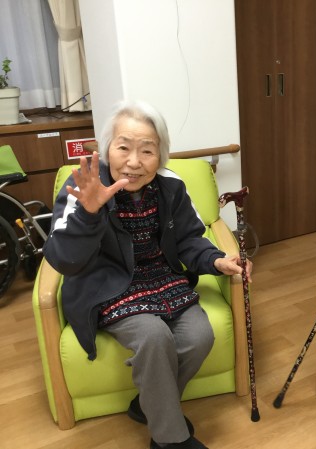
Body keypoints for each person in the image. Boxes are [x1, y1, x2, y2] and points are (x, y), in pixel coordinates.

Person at [43, 100, 251, 449]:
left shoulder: (171, 186)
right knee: (154, 337)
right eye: (124, 147)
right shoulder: (84, 187)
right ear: (107, 149)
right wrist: (89, 215)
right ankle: (170, 439)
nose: (134, 161)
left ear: (161, 155)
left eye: (147, 150)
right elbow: (63, 259)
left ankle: (148, 406)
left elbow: (189, 239)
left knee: (200, 336)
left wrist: (216, 261)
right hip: (106, 285)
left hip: (160, 278)